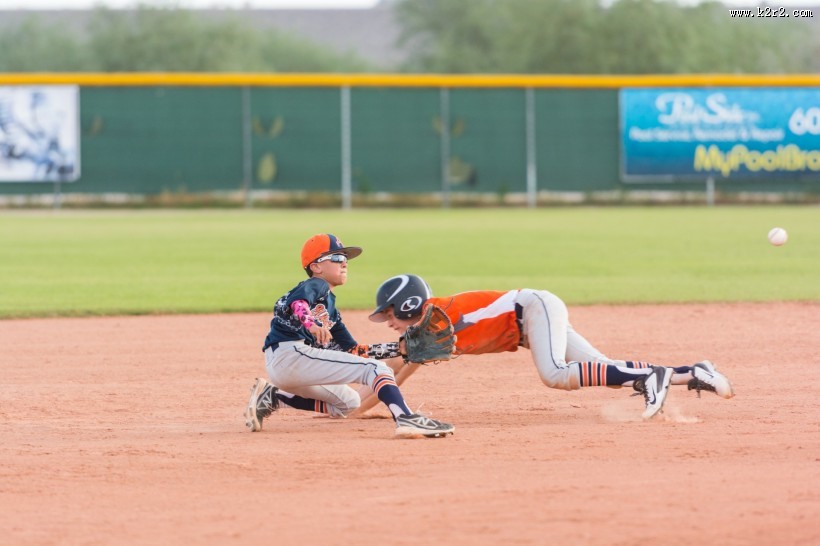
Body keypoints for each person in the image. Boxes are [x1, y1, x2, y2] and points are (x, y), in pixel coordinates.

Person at [360, 274, 734, 420]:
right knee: (602, 368)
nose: (389, 321)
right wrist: (359, 408)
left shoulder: (442, 318)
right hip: (531, 322)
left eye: (390, 313)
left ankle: (656, 376)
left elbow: (400, 358)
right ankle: (695, 373)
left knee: (554, 374)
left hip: (534, 309)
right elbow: (399, 367)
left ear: (408, 305)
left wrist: (367, 377)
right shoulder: (429, 330)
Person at [243, 235, 454, 438]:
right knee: (376, 368)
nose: (344, 263)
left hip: (291, 367)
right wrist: (311, 323)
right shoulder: (316, 285)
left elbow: (354, 351)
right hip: (291, 353)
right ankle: (406, 419)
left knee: (349, 402)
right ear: (316, 267)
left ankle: (274, 396)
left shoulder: (331, 311)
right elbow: (298, 304)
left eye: (345, 259)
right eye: (336, 258)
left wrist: (399, 349)